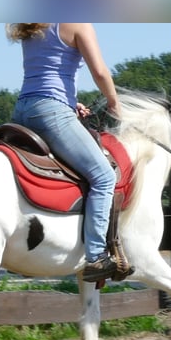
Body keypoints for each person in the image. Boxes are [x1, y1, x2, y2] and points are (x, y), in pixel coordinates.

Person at [6, 23, 120, 282]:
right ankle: (96, 256)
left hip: (24, 108)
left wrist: (70, 103)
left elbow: (45, 73)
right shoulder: (77, 23)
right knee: (103, 177)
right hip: (50, 112)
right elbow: (100, 73)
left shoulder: (33, 24)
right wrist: (114, 103)